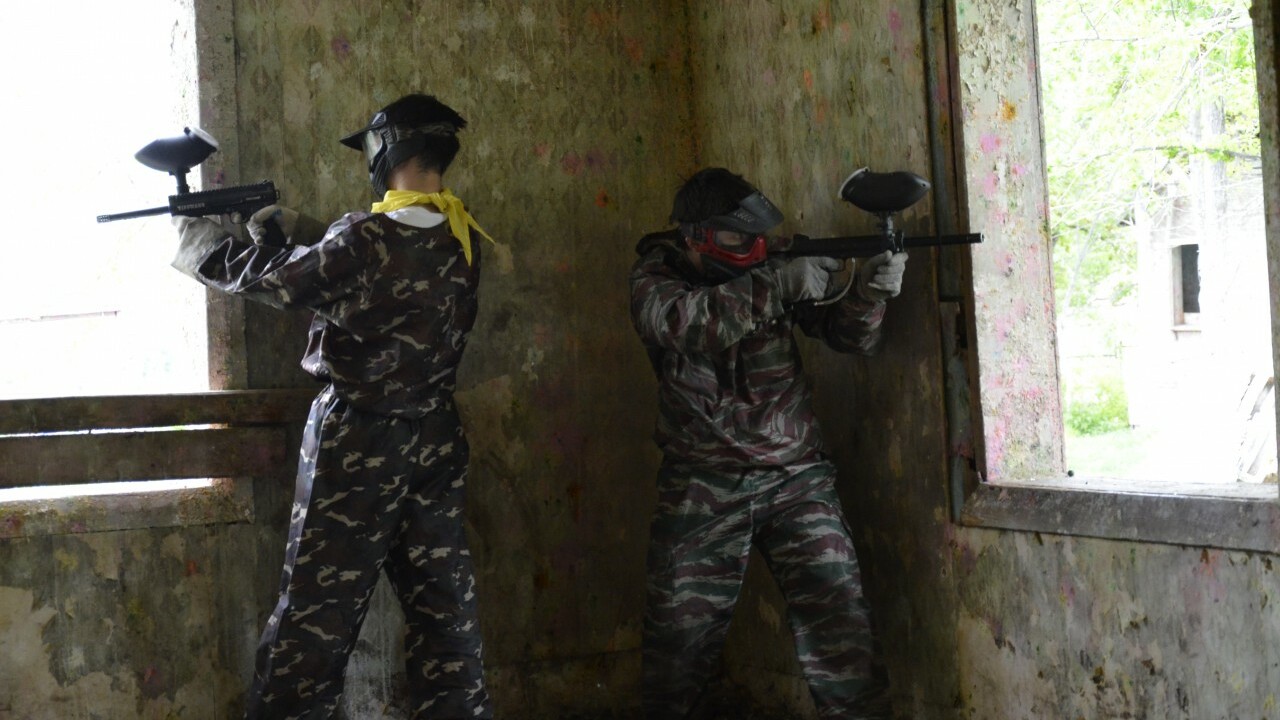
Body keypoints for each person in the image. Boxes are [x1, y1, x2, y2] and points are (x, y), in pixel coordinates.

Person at [172, 93, 494, 719]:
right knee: (445, 615)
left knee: (315, 619)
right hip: (435, 436)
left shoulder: (364, 236)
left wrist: (199, 242)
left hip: (359, 444)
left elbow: (284, 281)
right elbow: (377, 264)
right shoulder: (462, 234)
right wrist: (298, 230)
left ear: (386, 151)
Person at [629, 167, 907, 719]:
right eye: (738, 238)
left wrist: (869, 295)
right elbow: (690, 325)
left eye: (758, 238)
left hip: (795, 476)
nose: (754, 249)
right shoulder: (655, 278)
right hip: (701, 484)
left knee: (842, 623)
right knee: (678, 648)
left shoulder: (771, 264)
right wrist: (777, 285)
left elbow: (849, 337)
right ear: (695, 237)